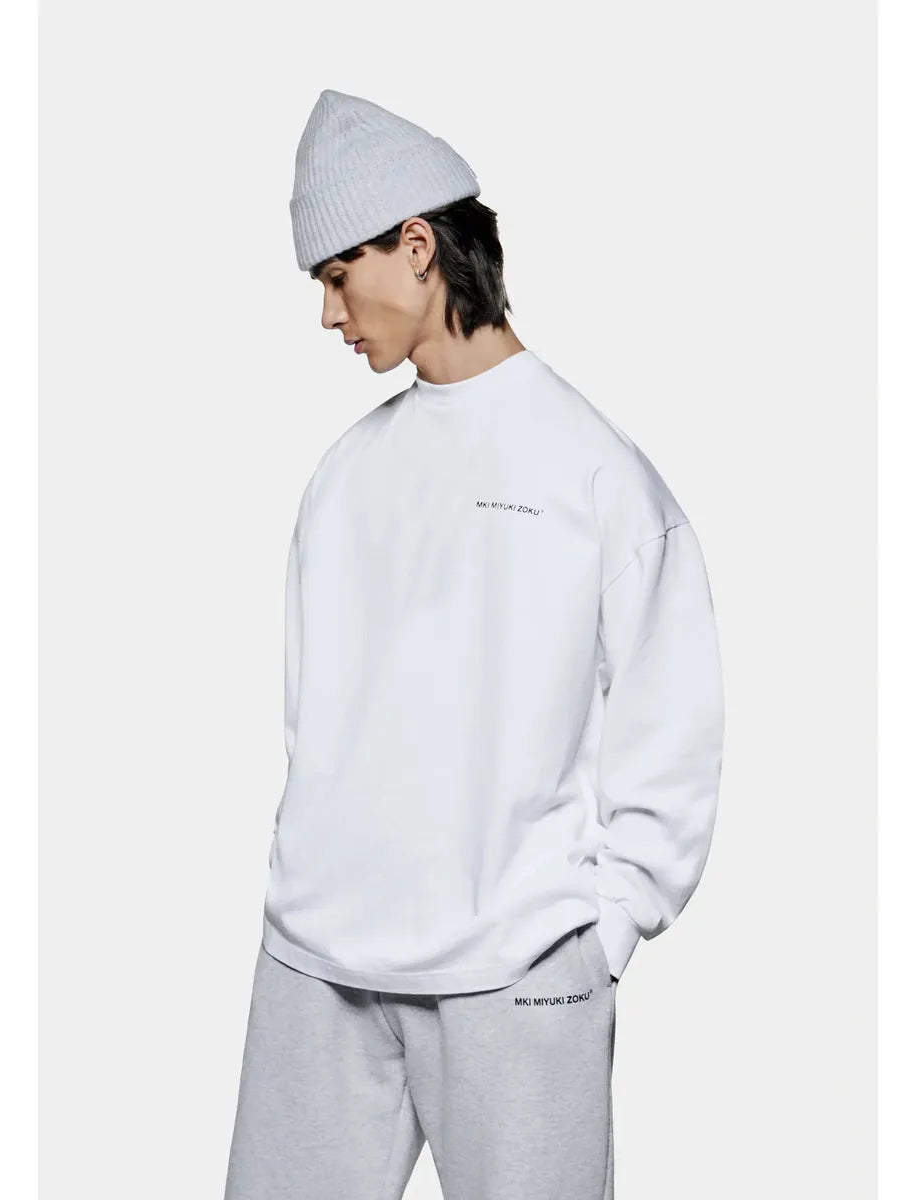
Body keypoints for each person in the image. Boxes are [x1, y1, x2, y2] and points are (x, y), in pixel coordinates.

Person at [223, 88, 726, 1200]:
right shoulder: (344, 475)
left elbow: (672, 720)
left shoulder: (593, 471)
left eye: (336, 277)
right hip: (316, 967)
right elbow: (316, 720)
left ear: (417, 247)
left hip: (519, 975)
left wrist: (606, 929)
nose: (329, 315)